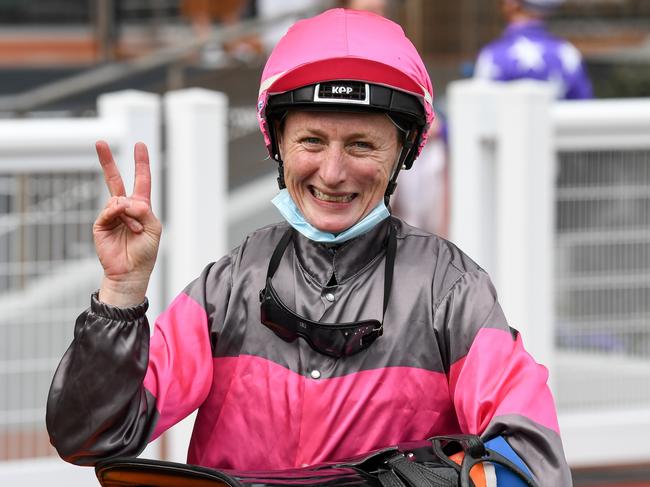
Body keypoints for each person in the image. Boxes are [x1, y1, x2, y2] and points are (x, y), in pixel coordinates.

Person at [46, 8, 571, 486]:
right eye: (312, 141)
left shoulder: (452, 291)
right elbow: (92, 436)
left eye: (362, 145)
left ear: (403, 153)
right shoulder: (227, 285)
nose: (333, 172)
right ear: (278, 143)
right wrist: (121, 292)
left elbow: (534, 463)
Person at [474, 0, 593, 100]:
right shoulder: (567, 53)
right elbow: (585, 110)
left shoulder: (493, 56)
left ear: (512, 4)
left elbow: (479, 112)